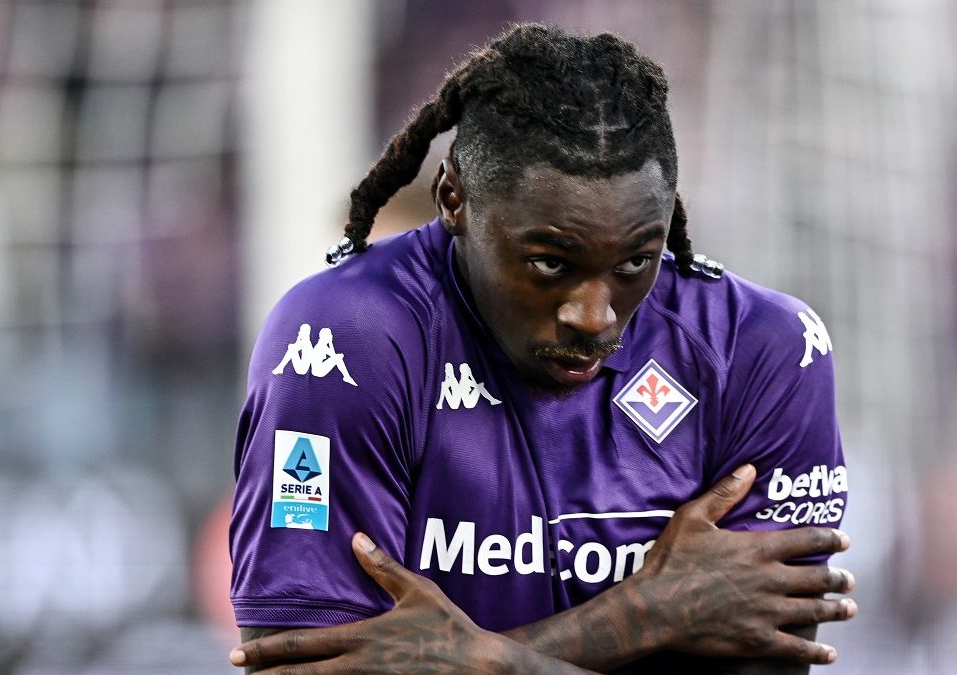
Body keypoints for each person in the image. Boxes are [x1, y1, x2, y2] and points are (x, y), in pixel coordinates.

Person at [228, 23, 855, 674]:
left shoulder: (761, 348)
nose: (594, 316)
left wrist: (479, 661)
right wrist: (643, 615)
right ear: (453, 198)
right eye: (551, 263)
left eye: (635, 261)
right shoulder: (341, 339)